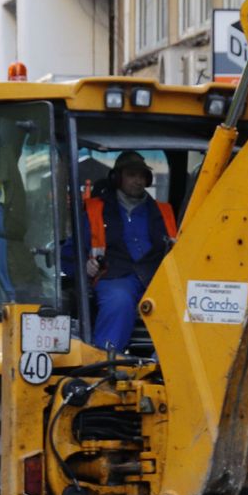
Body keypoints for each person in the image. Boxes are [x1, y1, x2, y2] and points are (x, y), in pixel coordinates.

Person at [85, 151, 178, 352]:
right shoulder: (95, 209)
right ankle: (106, 359)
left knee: (181, 303)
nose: (138, 181)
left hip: (156, 277)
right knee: (119, 300)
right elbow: (71, 253)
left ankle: (167, 361)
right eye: (131, 175)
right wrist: (85, 265)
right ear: (117, 178)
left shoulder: (164, 211)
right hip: (115, 275)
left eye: (142, 176)